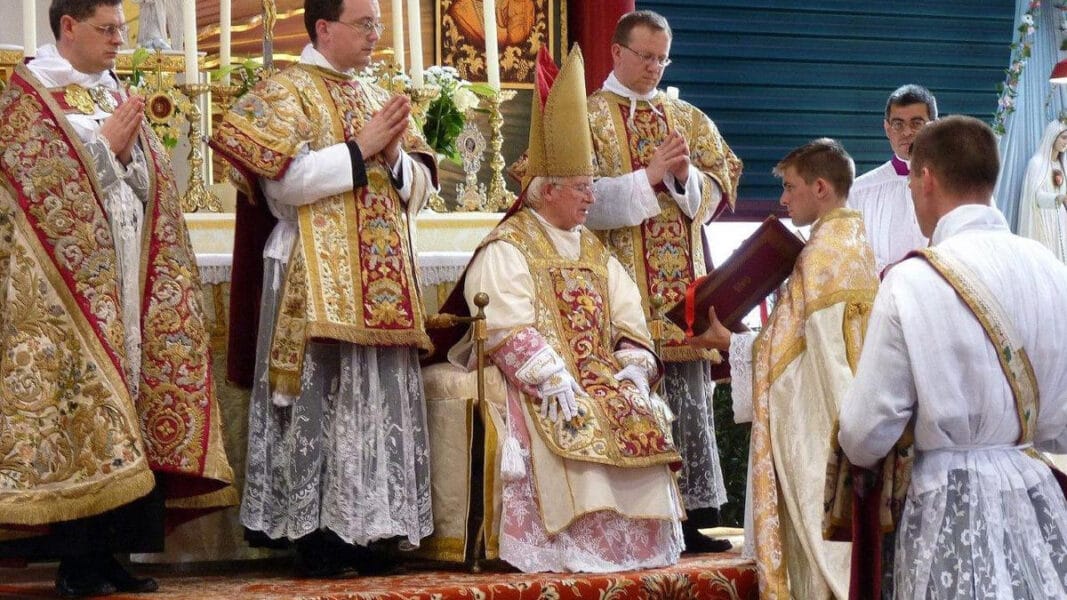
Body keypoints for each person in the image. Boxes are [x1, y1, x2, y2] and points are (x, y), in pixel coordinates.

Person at [0, 0, 235, 596]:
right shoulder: (30, 99)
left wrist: (127, 158)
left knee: (128, 405)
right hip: (69, 294)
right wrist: (105, 149)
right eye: (106, 31)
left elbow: (149, 176)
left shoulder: (111, 90)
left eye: (122, 32)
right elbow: (35, 184)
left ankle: (114, 554)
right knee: (82, 410)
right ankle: (77, 564)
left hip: (129, 279)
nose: (117, 42)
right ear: (69, 27)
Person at [211, 0, 438, 577]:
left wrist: (395, 158)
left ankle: (369, 529)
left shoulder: (370, 94)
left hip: (381, 275)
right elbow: (283, 187)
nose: (374, 35)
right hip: (309, 273)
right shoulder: (284, 91)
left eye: (378, 26)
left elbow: (419, 189)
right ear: (323, 27)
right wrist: (360, 151)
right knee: (320, 402)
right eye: (365, 24)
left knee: (375, 402)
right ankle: (314, 536)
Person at [436, 45, 684, 573]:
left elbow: (629, 321)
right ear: (546, 191)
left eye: (592, 186)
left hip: (596, 373)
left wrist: (635, 372)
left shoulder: (594, 250)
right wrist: (552, 379)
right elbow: (504, 324)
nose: (592, 199)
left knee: (630, 409)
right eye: (581, 187)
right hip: (537, 378)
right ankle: (562, 543)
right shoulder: (510, 246)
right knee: (570, 413)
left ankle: (624, 546)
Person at [839, 116, 1067, 597]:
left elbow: (863, 435)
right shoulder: (1051, 268)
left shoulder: (912, 279)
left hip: (948, 509)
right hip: (1036, 501)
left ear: (925, 178)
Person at [582, 9, 743, 552]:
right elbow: (578, 202)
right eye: (645, 56)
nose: (654, 67)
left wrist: (683, 179)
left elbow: (719, 189)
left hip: (683, 290)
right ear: (617, 53)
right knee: (635, 396)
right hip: (621, 290)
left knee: (689, 400)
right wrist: (646, 177)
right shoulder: (587, 118)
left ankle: (697, 514)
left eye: (661, 58)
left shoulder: (687, 119)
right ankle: (639, 516)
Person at [689, 139, 878, 598]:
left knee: (818, 560)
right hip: (854, 412)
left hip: (821, 427)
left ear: (820, 188)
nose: (783, 199)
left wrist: (730, 342)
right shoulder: (855, 245)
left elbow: (786, 359)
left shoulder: (818, 258)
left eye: (791, 188)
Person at [848, 84, 936, 272]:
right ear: (887, 129)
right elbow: (850, 254)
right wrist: (887, 272)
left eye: (916, 123)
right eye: (898, 124)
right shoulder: (858, 191)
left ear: (934, 126)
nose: (906, 132)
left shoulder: (957, 184)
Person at [1018, 119, 1067, 262]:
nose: (1066, 142)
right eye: (1064, 138)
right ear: (1053, 137)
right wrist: (1057, 198)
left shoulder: (1060, 164)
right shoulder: (1037, 164)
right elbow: (1035, 197)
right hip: (1044, 222)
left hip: (1061, 222)